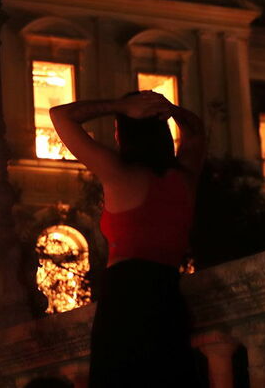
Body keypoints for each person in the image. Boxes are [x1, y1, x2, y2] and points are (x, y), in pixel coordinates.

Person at [50, 91, 205, 387]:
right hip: (167, 294)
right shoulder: (185, 176)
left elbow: (60, 116)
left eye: (118, 128)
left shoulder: (118, 174)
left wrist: (118, 105)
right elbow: (196, 130)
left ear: (124, 133)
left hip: (126, 296)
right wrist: (169, 109)